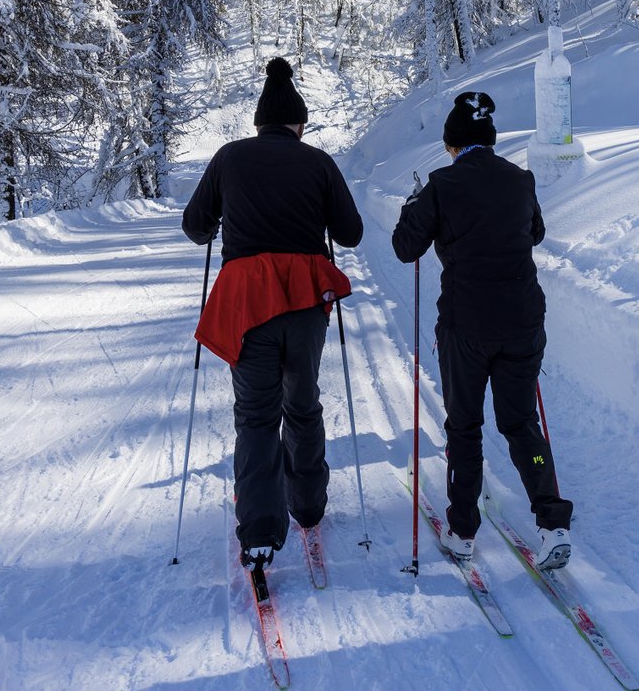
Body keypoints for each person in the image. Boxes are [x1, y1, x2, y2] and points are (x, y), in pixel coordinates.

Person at [182, 57, 363, 569]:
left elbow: (195, 225)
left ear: (259, 123)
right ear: (298, 123)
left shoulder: (229, 158)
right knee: (302, 404)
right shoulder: (318, 161)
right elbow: (350, 234)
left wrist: (220, 222)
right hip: (306, 301)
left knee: (256, 415)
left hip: (248, 303)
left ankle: (260, 531)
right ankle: (307, 507)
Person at [391, 90, 573, 570]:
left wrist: (415, 206)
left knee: (465, 426)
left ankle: (464, 531)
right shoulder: (521, 180)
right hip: (522, 321)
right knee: (520, 422)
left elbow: (405, 247)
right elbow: (534, 233)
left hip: (466, 325)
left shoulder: (441, 185)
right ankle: (552, 523)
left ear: (453, 144)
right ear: (490, 141)